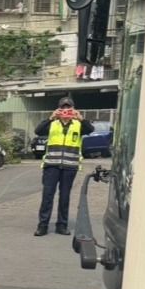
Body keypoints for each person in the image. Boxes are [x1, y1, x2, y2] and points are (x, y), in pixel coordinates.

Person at [34, 97, 95, 236]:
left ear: (73, 109)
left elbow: (90, 129)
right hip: (51, 166)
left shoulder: (78, 125)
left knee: (65, 197)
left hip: (69, 166)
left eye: (69, 108)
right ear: (59, 109)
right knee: (47, 196)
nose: (66, 111)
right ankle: (42, 225)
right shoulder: (53, 123)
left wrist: (81, 119)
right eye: (63, 108)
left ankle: (62, 225)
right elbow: (38, 131)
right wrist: (50, 118)